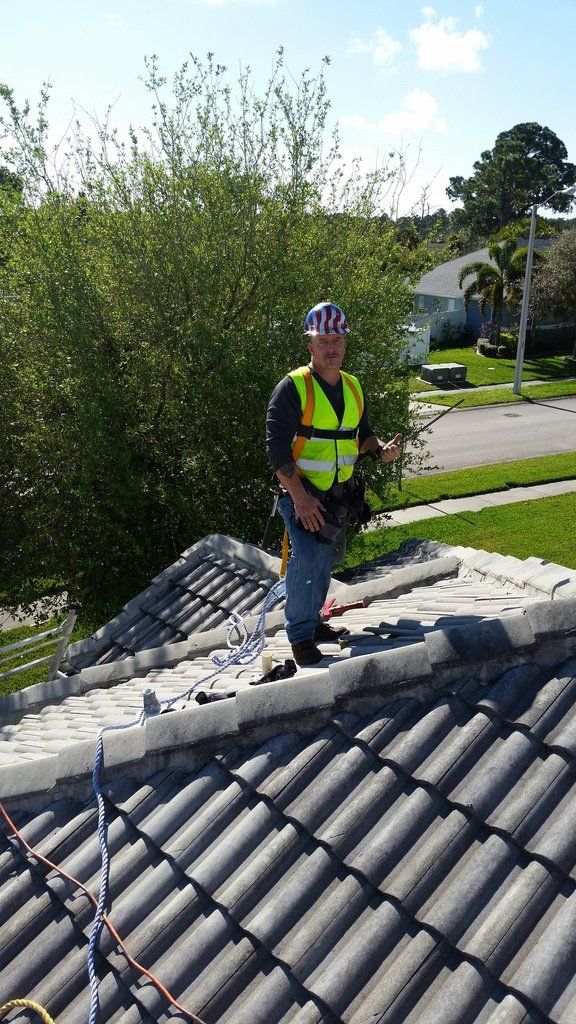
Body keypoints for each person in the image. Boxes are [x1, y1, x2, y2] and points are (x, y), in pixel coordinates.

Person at [266, 301, 402, 666]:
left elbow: (362, 433)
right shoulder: (293, 388)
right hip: (302, 493)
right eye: (323, 341)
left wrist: (379, 449)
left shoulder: (354, 387)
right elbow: (277, 452)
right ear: (310, 345)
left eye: (337, 340)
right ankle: (299, 637)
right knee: (309, 556)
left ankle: (314, 622)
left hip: (338, 495)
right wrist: (301, 501)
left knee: (331, 555)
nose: (331, 348)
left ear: (344, 344)